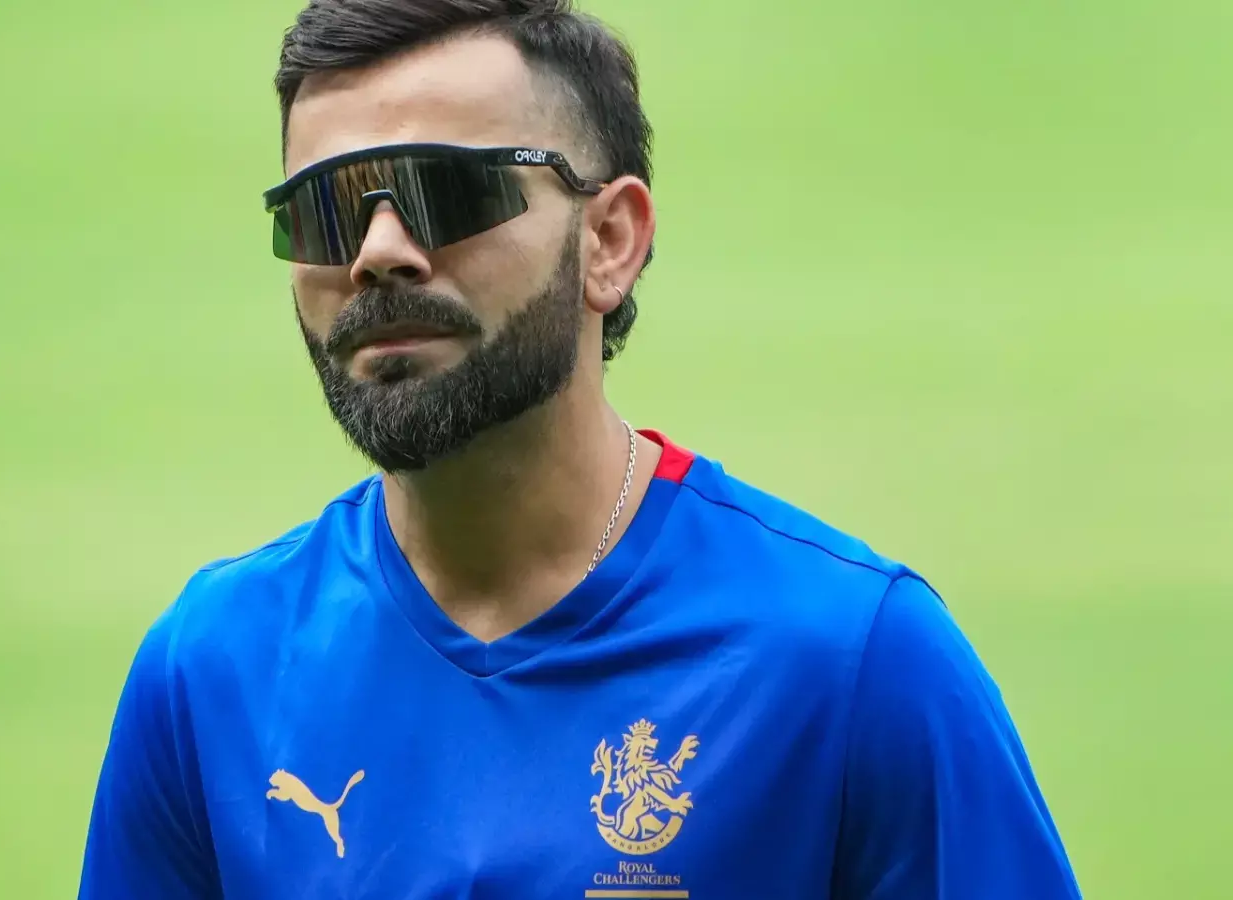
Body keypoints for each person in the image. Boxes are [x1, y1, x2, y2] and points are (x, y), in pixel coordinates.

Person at [77, 1, 1082, 897]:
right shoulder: (210, 672)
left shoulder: (852, 661)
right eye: (328, 209)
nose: (378, 252)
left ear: (609, 241)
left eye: (447, 192)